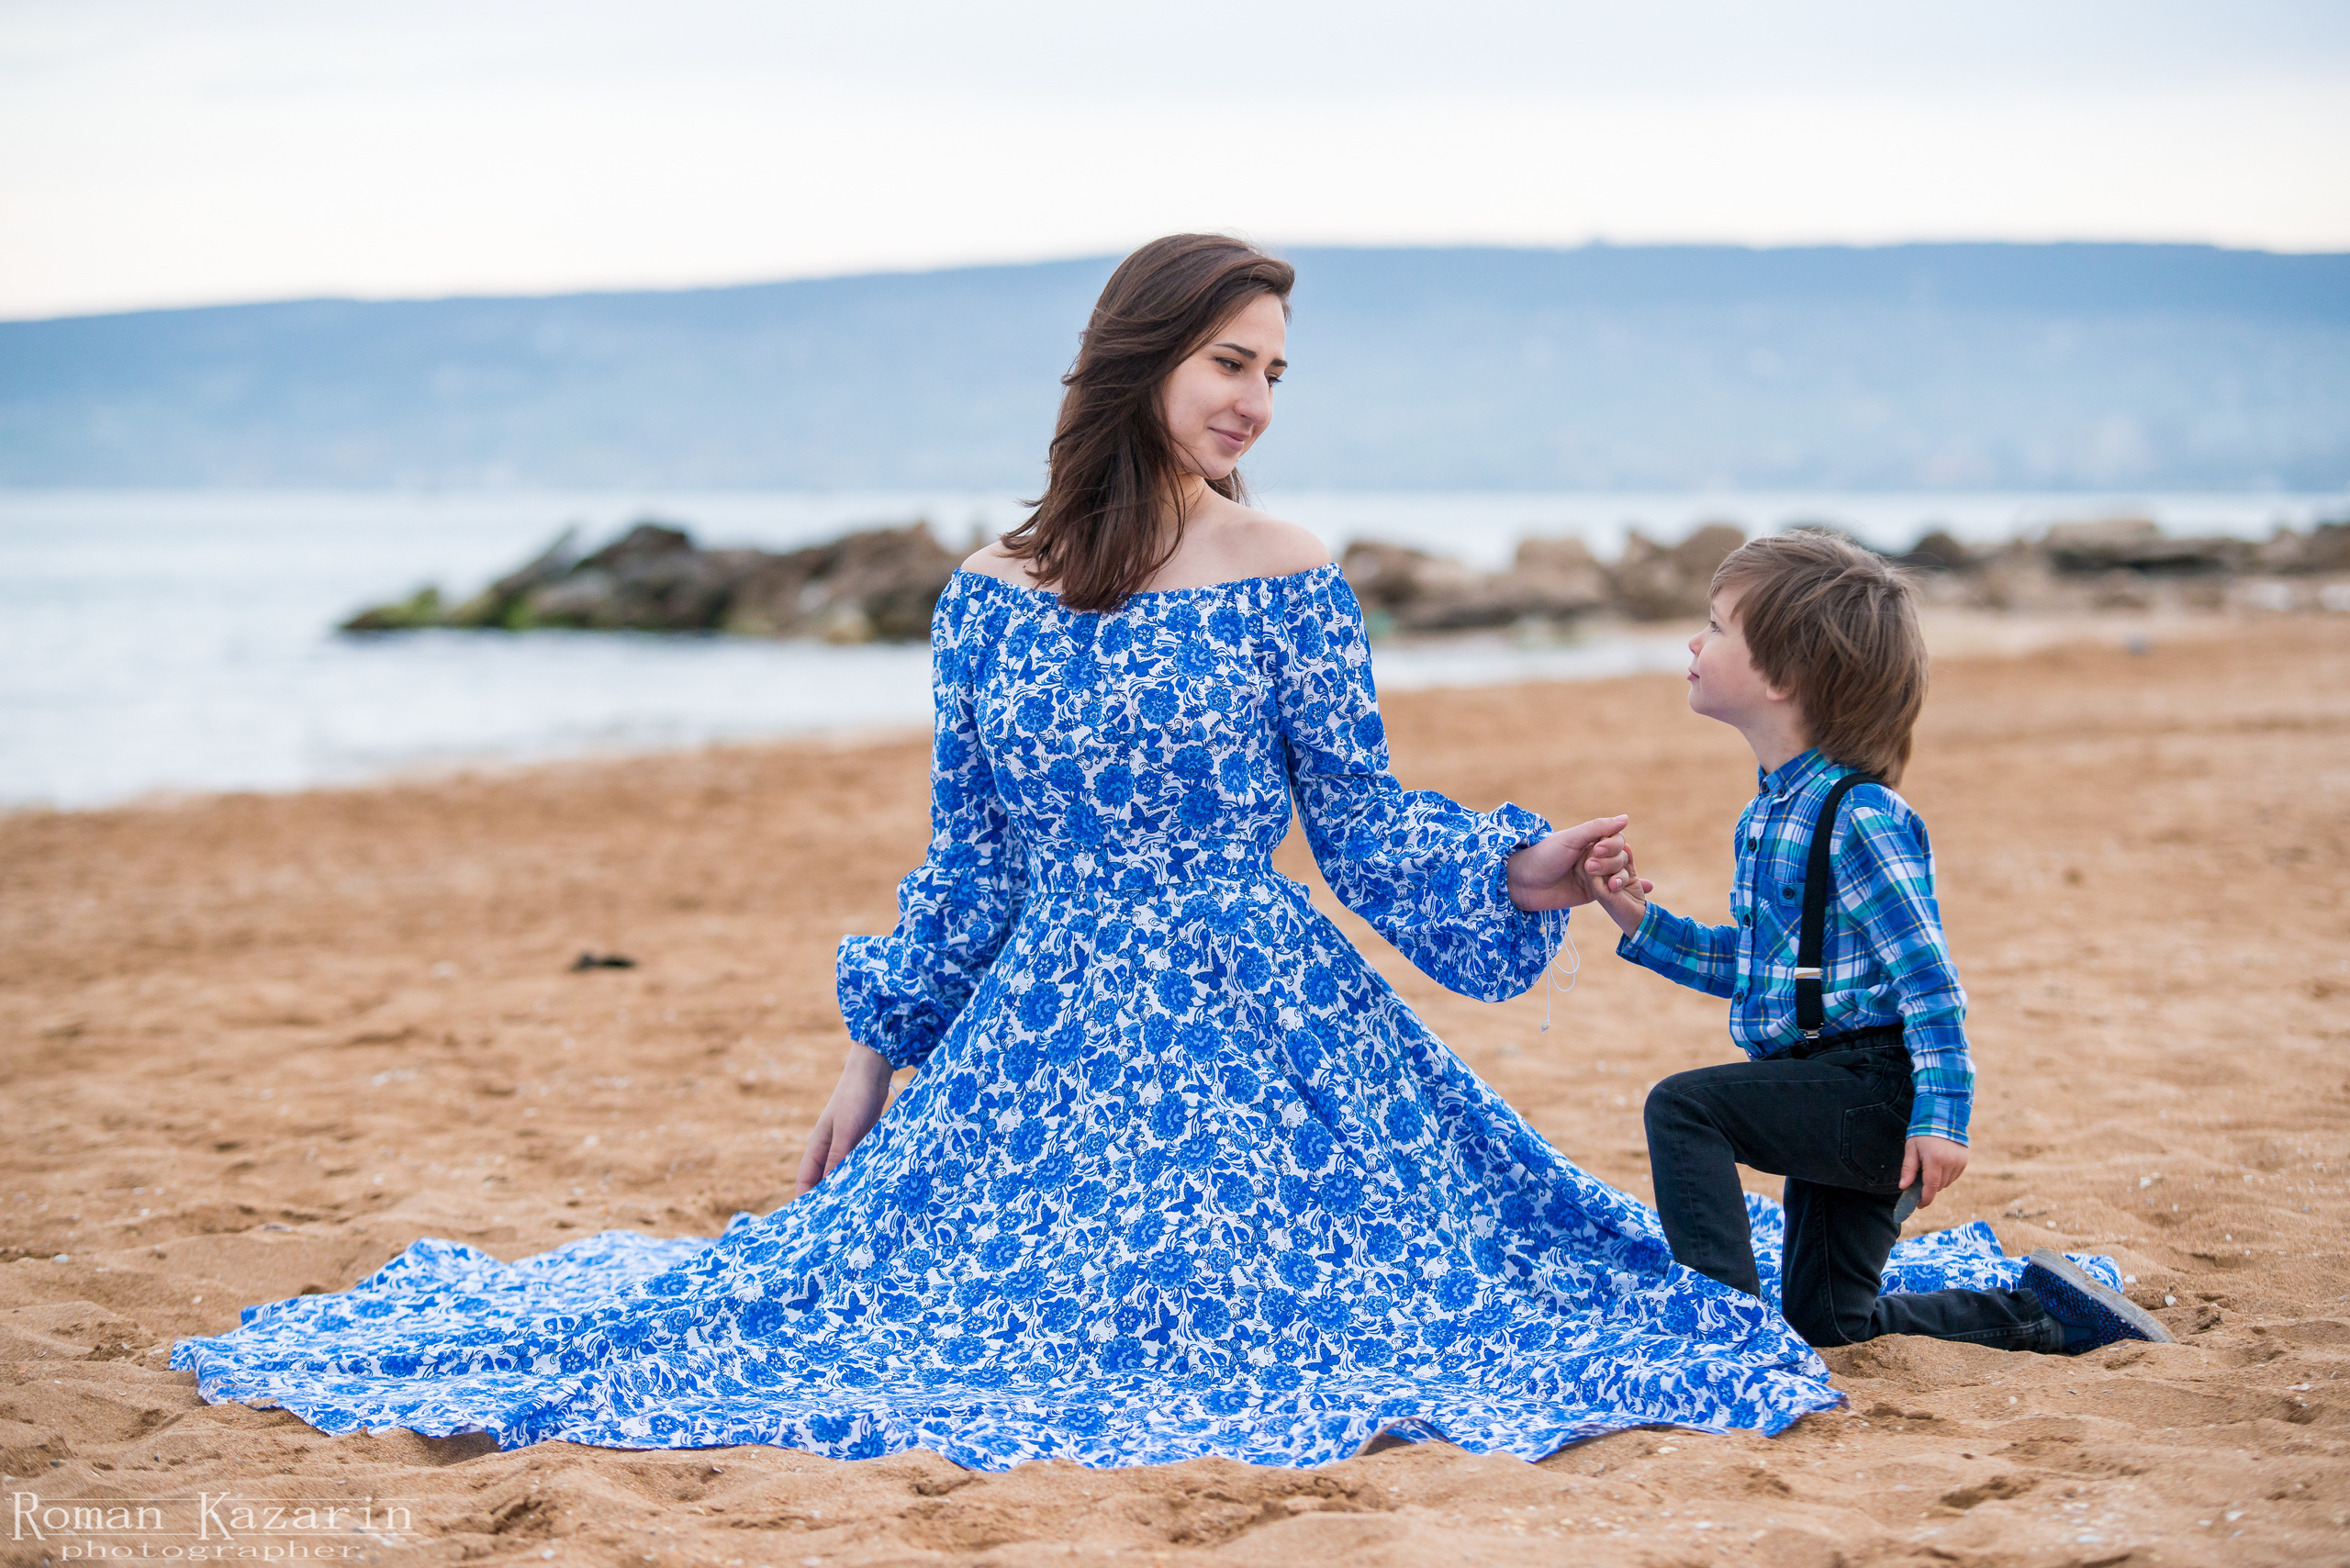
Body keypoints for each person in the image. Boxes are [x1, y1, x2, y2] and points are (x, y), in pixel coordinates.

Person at [173, 237, 2069, 1471]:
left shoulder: (1290, 574)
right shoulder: (983, 596)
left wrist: (1518, 873)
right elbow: (969, 860)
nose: (1254, 400)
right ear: (1143, 357)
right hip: (1038, 1036)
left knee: (1433, 1289)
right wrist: (873, 1056)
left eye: (1276, 372)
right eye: (1231, 360)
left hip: (1262, 1021)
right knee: (833, 1304)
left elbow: (1357, 826)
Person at [1585, 530, 2170, 1355]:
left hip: (1874, 1093)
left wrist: (1943, 1119)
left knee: (1685, 1108)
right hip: (1825, 1086)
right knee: (1831, 1323)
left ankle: (1725, 1341)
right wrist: (1637, 921)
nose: (1693, 642)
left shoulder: (1861, 816)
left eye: (1716, 627)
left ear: (1784, 678)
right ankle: (2044, 1319)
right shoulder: (1769, 814)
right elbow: (1763, 970)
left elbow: (1930, 982)